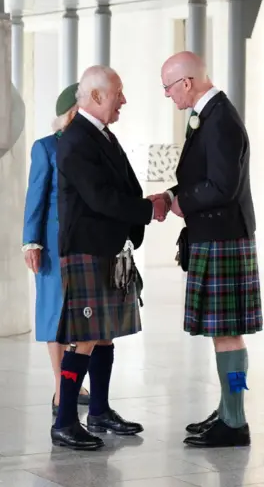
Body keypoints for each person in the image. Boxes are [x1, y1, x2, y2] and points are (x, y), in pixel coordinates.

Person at [52, 65, 166, 450]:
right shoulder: (75, 140)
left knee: (104, 335)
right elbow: (100, 198)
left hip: (108, 248)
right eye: (118, 92)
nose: (124, 100)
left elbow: (126, 186)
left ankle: (98, 411)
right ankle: (66, 420)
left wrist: (147, 204)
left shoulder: (101, 135)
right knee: (84, 339)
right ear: (97, 96)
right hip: (87, 248)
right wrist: (148, 211)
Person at [154, 50, 262, 448]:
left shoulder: (220, 119)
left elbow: (222, 186)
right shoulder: (211, 115)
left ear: (186, 82)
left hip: (224, 239)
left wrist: (183, 202)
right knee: (224, 332)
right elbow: (205, 176)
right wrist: (171, 194)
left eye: (168, 87)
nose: (167, 95)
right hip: (217, 237)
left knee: (228, 333)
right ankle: (228, 408)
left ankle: (234, 420)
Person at [22, 83, 91, 416]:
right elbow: (35, 197)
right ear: (73, 112)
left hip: (86, 243)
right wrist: (31, 241)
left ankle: (75, 382)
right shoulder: (45, 147)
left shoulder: (94, 146)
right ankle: (60, 389)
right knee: (55, 315)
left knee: (84, 317)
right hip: (51, 244)